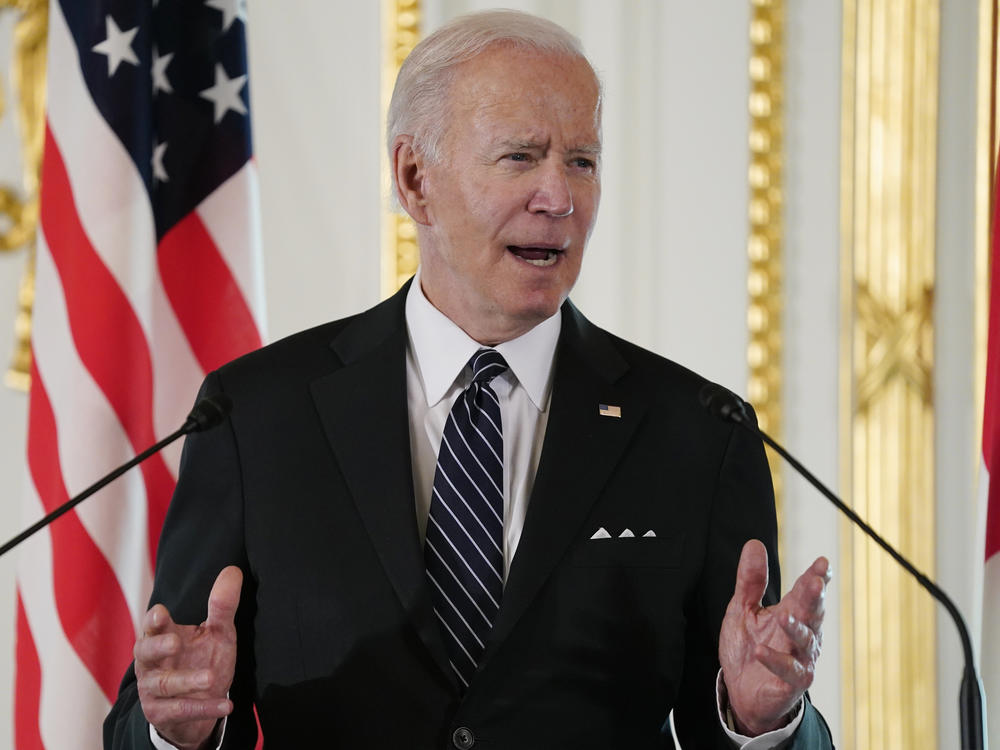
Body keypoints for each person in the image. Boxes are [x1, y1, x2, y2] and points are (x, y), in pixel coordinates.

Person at [105, 10, 833, 749]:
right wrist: (179, 731)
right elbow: (139, 724)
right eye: (521, 157)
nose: (561, 198)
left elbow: (750, 706)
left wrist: (760, 721)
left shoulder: (699, 433)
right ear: (415, 179)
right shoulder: (256, 416)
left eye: (582, 160)